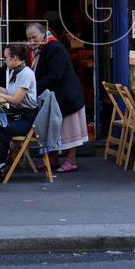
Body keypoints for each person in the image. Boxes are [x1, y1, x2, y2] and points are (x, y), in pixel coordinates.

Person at [26, 22, 87, 173]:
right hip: (56, 96)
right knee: (54, 128)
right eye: (29, 38)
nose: (32, 41)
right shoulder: (43, 48)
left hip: (66, 96)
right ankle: (53, 159)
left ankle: (71, 161)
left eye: (34, 37)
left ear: (43, 34)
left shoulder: (54, 48)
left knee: (68, 129)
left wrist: (35, 87)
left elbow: (56, 75)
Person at [0, 43, 38, 171]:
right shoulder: (15, 71)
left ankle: (0, 164)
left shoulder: (26, 74)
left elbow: (16, 99)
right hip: (18, 114)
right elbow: (9, 92)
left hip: (27, 119)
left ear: (14, 57)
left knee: (3, 128)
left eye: (5, 57)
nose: (4, 60)